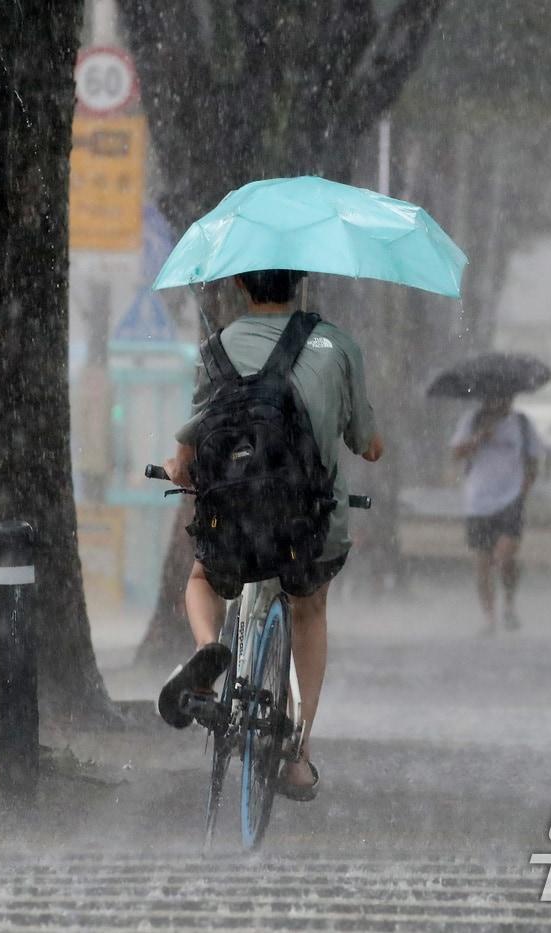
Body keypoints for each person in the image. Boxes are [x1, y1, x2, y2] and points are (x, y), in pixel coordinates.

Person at [158, 268, 384, 801]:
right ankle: (300, 757)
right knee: (308, 608)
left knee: (202, 580)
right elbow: (367, 444)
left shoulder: (217, 350)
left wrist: (175, 470)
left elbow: (191, 456)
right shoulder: (336, 344)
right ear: (300, 285)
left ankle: (208, 650)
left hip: (235, 523)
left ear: (240, 285)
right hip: (309, 524)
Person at [450, 393, 544, 634]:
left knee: (505, 557)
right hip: (478, 502)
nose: (502, 400)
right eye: (496, 394)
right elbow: (456, 453)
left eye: (505, 395)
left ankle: (510, 606)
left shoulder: (522, 424)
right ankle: (489, 618)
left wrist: (525, 488)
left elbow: (533, 460)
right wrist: (479, 438)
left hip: (511, 498)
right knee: (482, 564)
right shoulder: (471, 421)